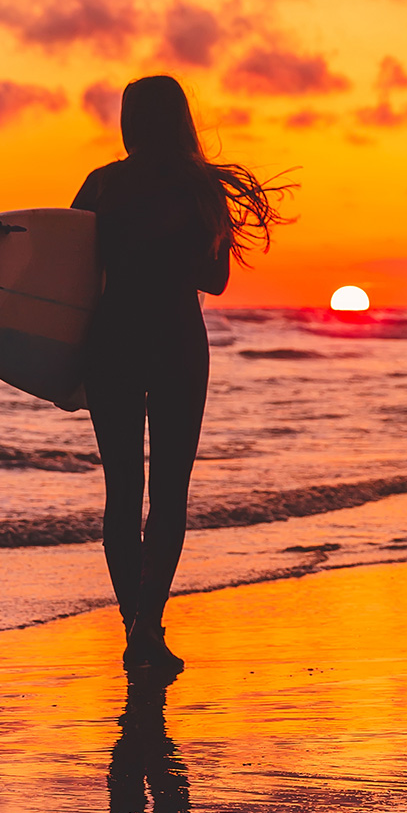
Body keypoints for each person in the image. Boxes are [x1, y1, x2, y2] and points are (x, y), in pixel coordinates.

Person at [72, 75, 290, 674]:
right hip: (176, 343)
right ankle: (149, 627)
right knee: (169, 495)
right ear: (182, 119)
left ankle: (132, 629)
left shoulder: (102, 184)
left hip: (111, 342)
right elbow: (215, 281)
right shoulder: (200, 189)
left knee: (123, 492)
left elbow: (66, 277)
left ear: (130, 121)